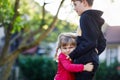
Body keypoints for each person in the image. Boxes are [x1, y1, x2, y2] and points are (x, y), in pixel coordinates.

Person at [69, 0, 106, 80]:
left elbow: (89, 42)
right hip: (91, 61)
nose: (74, 8)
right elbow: (102, 42)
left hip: (85, 62)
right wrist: (94, 53)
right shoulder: (93, 18)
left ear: (84, 2)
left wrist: (71, 55)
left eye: (75, 4)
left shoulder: (85, 17)